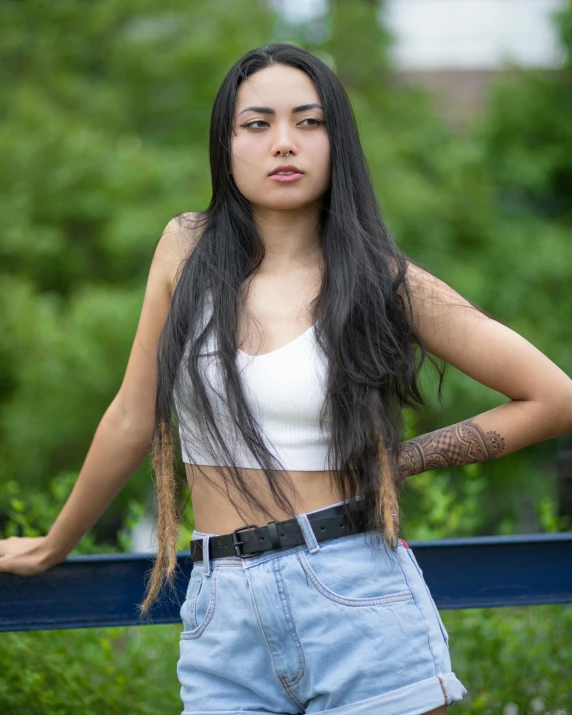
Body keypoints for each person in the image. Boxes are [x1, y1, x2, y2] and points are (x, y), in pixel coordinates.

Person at [1, 42, 572, 715]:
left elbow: (554, 396)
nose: (283, 144)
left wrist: (400, 461)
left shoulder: (381, 280)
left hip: (357, 595)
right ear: (227, 143)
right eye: (257, 123)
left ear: (338, 142)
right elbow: (133, 415)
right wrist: (54, 541)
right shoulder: (185, 250)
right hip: (222, 613)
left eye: (309, 122)